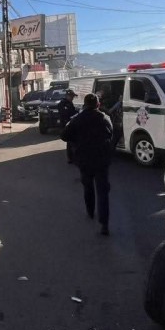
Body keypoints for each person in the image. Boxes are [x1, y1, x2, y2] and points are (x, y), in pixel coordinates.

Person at [61, 93, 113, 236]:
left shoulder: (77, 119)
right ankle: (104, 224)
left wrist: (76, 142)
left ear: (84, 104)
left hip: (84, 160)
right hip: (101, 160)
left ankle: (90, 212)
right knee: (103, 192)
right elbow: (111, 134)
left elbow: (64, 135)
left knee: (88, 187)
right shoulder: (104, 118)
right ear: (98, 104)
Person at [58, 89, 78, 163]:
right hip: (66, 125)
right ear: (67, 96)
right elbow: (66, 114)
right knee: (70, 141)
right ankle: (70, 158)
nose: (72, 98)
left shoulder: (69, 103)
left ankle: (72, 157)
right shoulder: (63, 104)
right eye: (71, 96)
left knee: (71, 141)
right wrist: (74, 113)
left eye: (73, 96)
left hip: (70, 124)